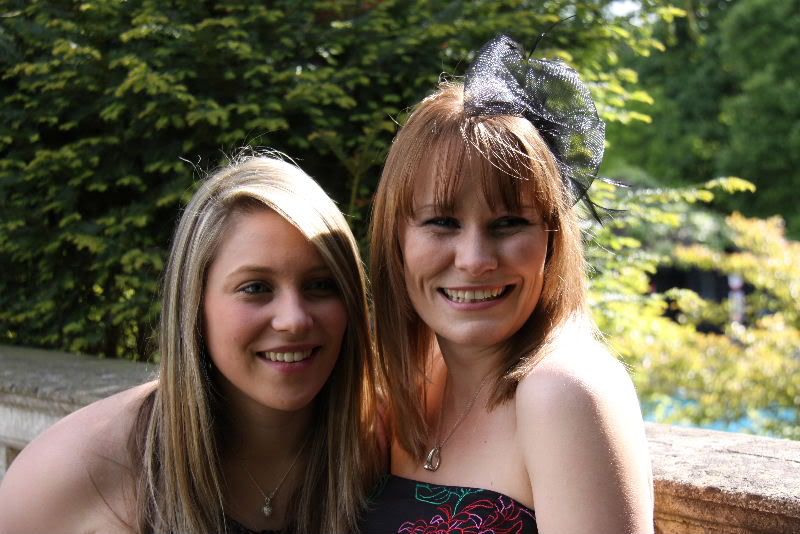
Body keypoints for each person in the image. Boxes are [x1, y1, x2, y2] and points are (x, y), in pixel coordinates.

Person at [361, 35, 654, 533]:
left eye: (509, 223)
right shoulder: (409, 384)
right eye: (442, 222)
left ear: (551, 240)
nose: (475, 260)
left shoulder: (562, 394)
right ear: (397, 240)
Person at [0, 154, 383, 534]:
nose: (294, 319)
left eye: (320, 285)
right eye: (255, 288)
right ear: (195, 306)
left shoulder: (385, 448)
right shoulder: (74, 469)